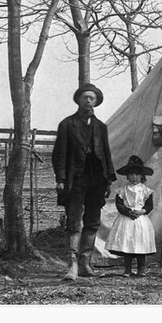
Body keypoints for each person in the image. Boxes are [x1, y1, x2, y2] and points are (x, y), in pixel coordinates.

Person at [52, 83, 117, 281]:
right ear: (78, 100)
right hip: (75, 178)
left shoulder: (101, 127)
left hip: (97, 178)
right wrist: (61, 179)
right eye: (85, 97)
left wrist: (108, 180)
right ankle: (71, 265)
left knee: (93, 222)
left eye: (92, 98)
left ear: (96, 102)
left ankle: (85, 263)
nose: (88, 101)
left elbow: (106, 154)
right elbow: (59, 154)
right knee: (74, 222)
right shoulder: (67, 125)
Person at [106, 155, 157, 277]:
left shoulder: (146, 190)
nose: (134, 177)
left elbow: (149, 205)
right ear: (127, 176)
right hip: (126, 220)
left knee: (140, 244)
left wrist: (141, 211)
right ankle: (127, 269)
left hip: (140, 220)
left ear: (142, 176)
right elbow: (119, 205)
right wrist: (128, 212)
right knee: (126, 244)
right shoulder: (122, 190)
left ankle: (141, 269)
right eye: (132, 174)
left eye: (137, 175)